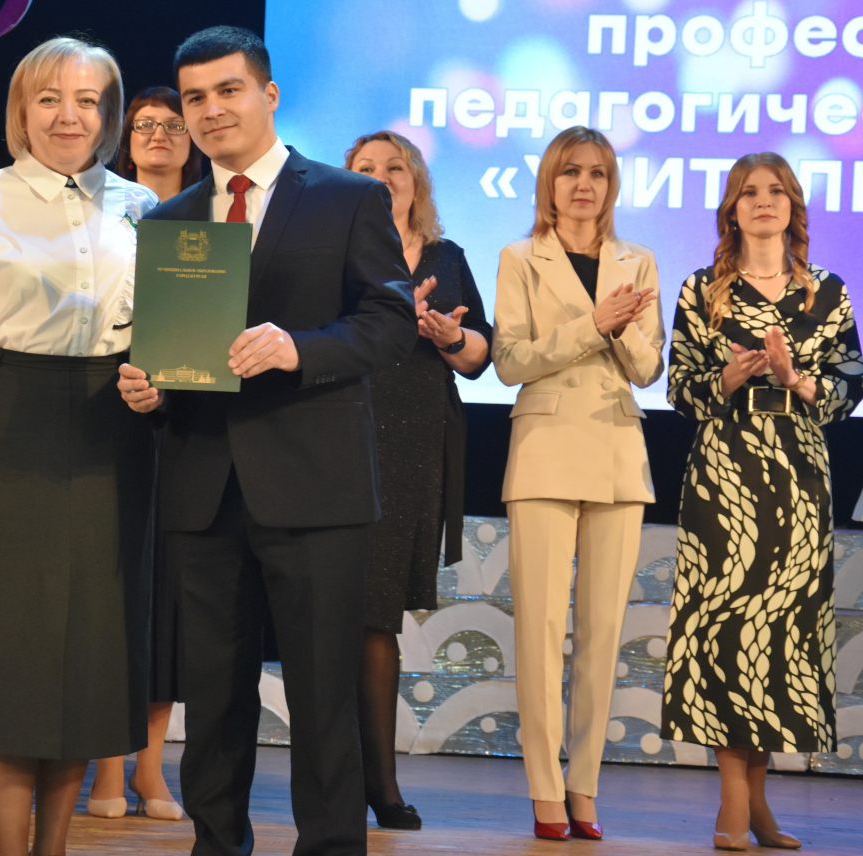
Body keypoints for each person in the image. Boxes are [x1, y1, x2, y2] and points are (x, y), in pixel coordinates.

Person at [117, 26, 416, 856]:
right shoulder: (170, 218)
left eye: (228, 90)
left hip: (316, 486)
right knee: (213, 699)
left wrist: (299, 349)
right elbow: (164, 349)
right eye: (195, 98)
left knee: (323, 697)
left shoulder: (347, 197)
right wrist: (148, 390)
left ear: (269, 94)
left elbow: (389, 323)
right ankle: (217, 845)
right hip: (203, 486)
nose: (211, 110)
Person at [0, 37, 158, 856]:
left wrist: (161, 384)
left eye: (86, 100)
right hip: (4, 430)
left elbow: (165, 333)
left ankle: (55, 847)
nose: (68, 115)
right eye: (49, 99)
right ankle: (12, 847)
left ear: (109, 114)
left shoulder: (144, 206)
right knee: (11, 650)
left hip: (114, 437)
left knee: (88, 652)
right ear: (22, 111)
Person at [661, 152, 862, 851]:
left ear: (794, 206)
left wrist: (796, 377)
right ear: (732, 209)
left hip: (799, 473)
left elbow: (850, 385)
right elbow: (678, 387)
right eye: (749, 192)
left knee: (779, 631)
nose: (763, 201)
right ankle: (732, 798)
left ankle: (759, 801)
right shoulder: (703, 289)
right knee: (724, 626)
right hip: (725, 470)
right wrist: (725, 378)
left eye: (776, 191)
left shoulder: (827, 293)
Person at [491, 125, 664, 841]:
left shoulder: (637, 260)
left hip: (618, 451)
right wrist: (594, 324)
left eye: (596, 173)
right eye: (570, 172)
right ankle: (545, 790)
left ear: (611, 184)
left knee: (603, 636)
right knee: (539, 632)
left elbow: (649, 369)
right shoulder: (519, 257)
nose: (584, 184)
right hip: (544, 451)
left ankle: (584, 785)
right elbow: (510, 360)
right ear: (550, 184)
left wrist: (620, 330)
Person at [344, 130, 491, 830]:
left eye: (394, 166)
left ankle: (379, 784)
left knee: (378, 617)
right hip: (339, 438)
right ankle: (349, 780)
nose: (382, 177)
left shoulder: (446, 257)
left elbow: (480, 354)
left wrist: (448, 336)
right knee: (337, 617)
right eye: (366, 168)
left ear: (416, 181)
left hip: (413, 447)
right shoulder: (334, 253)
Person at [88, 85, 202, 823]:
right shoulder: (98, 213)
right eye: (145, 125)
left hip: (187, 420)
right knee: (111, 591)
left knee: (166, 601)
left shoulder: (212, 218)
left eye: (173, 125)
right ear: (125, 140)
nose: (159, 135)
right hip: (104, 409)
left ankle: (151, 769)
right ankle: (104, 768)